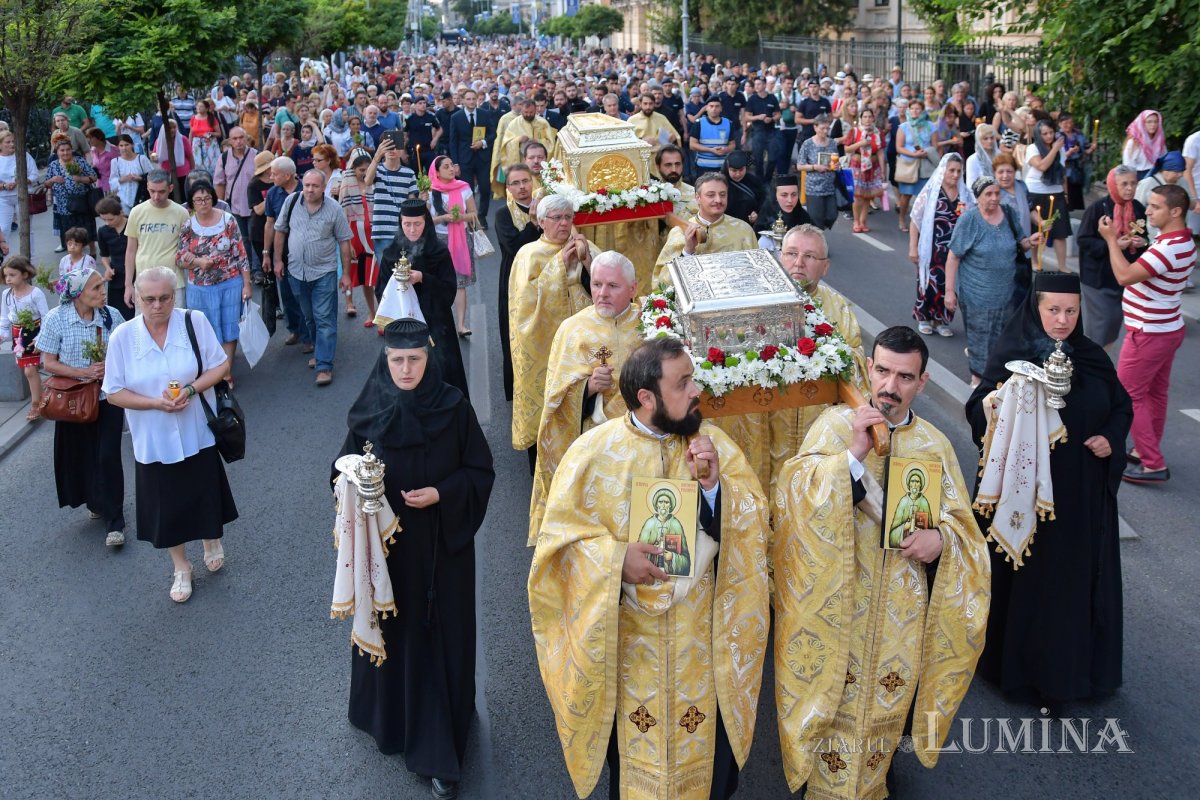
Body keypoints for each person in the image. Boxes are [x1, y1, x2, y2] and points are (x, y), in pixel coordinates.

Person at [529, 336, 770, 800]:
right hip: (629, 649)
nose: (697, 390)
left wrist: (716, 490)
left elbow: (756, 522)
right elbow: (555, 552)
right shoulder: (592, 454)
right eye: (683, 383)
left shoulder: (713, 445)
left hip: (702, 645)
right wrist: (617, 561)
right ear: (647, 397)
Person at [773, 325, 991, 799]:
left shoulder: (934, 445)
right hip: (838, 604)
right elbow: (793, 497)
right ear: (869, 369)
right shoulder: (835, 426)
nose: (891, 386)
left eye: (905, 377)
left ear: (922, 382)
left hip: (900, 611)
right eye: (884, 371)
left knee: (881, 719)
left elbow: (965, 533)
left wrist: (941, 541)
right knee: (834, 708)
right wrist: (852, 455)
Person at [336, 318, 493, 800]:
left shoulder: (454, 407)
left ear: (430, 359)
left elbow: (480, 472)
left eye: (415, 360)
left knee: (435, 641)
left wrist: (442, 493)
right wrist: (355, 484)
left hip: (441, 556)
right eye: (397, 361)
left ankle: (438, 747)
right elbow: (339, 470)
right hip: (389, 555)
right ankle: (388, 719)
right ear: (386, 362)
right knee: (393, 631)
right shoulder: (368, 410)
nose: (406, 370)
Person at [967, 272, 1132, 706]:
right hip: (1027, 502)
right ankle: (1016, 672)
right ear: (1036, 309)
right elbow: (977, 409)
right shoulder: (1014, 353)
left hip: (1079, 502)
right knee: (1028, 587)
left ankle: (1071, 674)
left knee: (1070, 590)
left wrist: (1111, 438)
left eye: (1070, 311)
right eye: (1053, 310)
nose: (1061, 320)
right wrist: (1004, 404)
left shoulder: (1092, 357)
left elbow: (1121, 405)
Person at [103, 266, 237, 602]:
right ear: (136, 298)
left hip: (196, 430)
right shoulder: (122, 337)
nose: (157, 305)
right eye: (149, 299)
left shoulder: (193, 321)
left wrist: (190, 391)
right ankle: (181, 568)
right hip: (153, 439)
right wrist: (153, 403)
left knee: (202, 493)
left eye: (164, 297)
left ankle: (211, 540)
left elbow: (220, 365)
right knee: (168, 507)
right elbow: (113, 392)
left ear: (174, 295)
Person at [527, 251, 642, 546]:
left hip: (642, 441)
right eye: (596, 284)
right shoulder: (572, 330)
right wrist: (587, 388)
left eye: (613, 286)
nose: (602, 293)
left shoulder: (650, 325)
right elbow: (554, 403)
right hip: (595, 442)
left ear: (633, 289)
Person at [1099, 184, 1196, 484]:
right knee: (1155, 394)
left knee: (1129, 395)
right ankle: (1145, 450)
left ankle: (1153, 464)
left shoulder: (1169, 247)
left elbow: (1124, 276)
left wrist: (1111, 241)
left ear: (1176, 211)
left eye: (1155, 206)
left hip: (1148, 332)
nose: (1148, 211)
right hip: (1165, 328)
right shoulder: (1180, 241)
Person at [35, 267, 126, 544]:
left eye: (102, 286)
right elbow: (47, 363)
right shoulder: (56, 319)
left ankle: (115, 521)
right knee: (82, 454)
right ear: (77, 294)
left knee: (108, 456)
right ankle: (96, 502)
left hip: (108, 398)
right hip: (73, 399)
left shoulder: (112, 316)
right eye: (96, 288)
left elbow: (127, 352)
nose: (103, 292)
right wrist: (84, 372)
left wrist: (110, 368)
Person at [508, 194, 598, 471]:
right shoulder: (529, 254)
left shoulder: (585, 245)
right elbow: (525, 303)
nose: (563, 223)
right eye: (556, 218)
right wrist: (559, 264)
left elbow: (601, 283)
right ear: (541, 222)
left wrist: (586, 262)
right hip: (544, 344)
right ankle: (542, 469)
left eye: (568, 217)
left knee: (583, 398)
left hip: (581, 342)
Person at [946, 175, 1042, 384]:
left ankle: (998, 379)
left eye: (997, 193)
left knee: (1003, 339)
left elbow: (1020, 244)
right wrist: (949, 291)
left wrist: (1030, 242)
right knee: (980, 339)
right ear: (978, 197)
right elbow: (953, 256)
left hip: (1007, 293)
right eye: (988, 194)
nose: (994, 198)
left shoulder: (1008, 213)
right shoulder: (969, 220)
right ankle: (977, 380)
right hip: (976, 294)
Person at [379, 200, 469, 397]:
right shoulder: (390, 255)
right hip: (402, 328)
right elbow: (381, 292)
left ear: (426, 223)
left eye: (417, 224)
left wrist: (423, 279)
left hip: (436, 327)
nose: (412, 230)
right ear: (400, 223)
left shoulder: (439, 252)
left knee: (442, 376)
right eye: (407, 224)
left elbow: (448, 291)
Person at [273, 170, 353, 386]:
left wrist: (345, 274)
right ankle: (319, 351)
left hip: (324, 273)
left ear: (323, 187)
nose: (309, 189)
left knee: (325, 318)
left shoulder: (334, 209)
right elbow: (279, 231)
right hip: (296, 273)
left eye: (315, 186)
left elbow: (345, 241)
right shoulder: (291, 202)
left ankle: (324, 365)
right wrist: (277, 260)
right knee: (309, 317)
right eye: (307, 185)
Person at [176, 180, 251, 385]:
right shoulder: (187, 226)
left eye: (207, 198)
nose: (203, 202)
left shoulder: (228, 220)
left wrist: (247, 284)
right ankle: (212, 370)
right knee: (204, 330)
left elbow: (241, 253)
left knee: (229, 328)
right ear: (191, 203)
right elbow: (180, 257)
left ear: (213, 199)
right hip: (199, 287)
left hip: (230, 281)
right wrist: (199, 261)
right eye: (198, 199)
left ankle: (226, 374)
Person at [1076, 166, 1147, 348]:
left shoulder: (1138, 208)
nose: (1130, 188)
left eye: (1133, 183)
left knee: (1113, 324)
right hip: (1098, 279)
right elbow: (1084, 240)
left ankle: (1099, 364)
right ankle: (1092, 366)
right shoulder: (1098, 209)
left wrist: (1142, 242)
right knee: (1103, 324)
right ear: (1112, 186)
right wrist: (1112, 244)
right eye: (1124, 184)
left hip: (1124, 278)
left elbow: (1144, 236)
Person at [654, 173, 756, 285]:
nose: (718, 200)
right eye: (711, 195)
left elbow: (756, 275)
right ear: (698, 198)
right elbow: (662, 283)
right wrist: (687, 251)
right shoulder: (679, 232)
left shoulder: (743, 230)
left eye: (722, 195)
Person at [494, 164, 541, 402]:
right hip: (514, 281)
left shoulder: (545, 206)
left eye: (525, 181)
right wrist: (533, 225)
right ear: (508, 188)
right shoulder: (503, 214)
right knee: (515, 335)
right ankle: (518, 389)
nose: (522, 187)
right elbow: (515, 247)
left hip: (543, 279)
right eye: (516, 183)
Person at [908, 153, 967, 337]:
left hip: (954, 251)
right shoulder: (931, 191)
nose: (955, 174)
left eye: (958, 171)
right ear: (943, 170)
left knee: (948, 284)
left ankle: (941, 320)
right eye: (951, 170)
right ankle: (924, 318)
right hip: (931, 247)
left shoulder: (965, 194)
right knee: (928, 283)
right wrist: (913, 247)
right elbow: (915, 220)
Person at [124, 169, 191, 311]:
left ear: (170, 188)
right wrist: (128, 284)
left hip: (174, 282)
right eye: (152, 191)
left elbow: (187, 247)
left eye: (161, 191)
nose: (156, 196)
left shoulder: (181, 213)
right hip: (143, 281)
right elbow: (131, 251)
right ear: (147, 187)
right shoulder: (136, 212)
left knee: (175, 325)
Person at [426, 156, 477, 337]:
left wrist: (460, 218)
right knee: (439, 283)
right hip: (439, 240)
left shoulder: (463, 187)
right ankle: (440, 322)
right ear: (437, 171)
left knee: (459, 283)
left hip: (461, 238)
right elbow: (424, 221)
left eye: (452, 165)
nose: (451, 169)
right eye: (446, 167)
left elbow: (473, 214)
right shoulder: (430, 191)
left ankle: (461, 325)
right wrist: (443, 218)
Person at [366, 136, 418, 305]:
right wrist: (377, 156)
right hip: (382, 231)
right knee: (386, 274)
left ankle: (404, 311)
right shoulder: (378, 170)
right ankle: (387, 314)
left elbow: (412, 203)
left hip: (403, 232)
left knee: (405, 275)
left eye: (396, 146)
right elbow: (367, 180)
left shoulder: (409, 173)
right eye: (388, 146)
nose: (392, 150)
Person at [1, 256, 49, 420]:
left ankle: (36, 404)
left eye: (12, 275)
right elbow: (5, 317)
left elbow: (45, 317)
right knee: (29, 369)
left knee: (30, 370)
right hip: (18, 335)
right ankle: (42, 397)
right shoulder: (7, 294)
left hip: (34, 331)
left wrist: (41, 337)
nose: (8, 279)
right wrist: (3, 333)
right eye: (6, 275)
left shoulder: (35, 294)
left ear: (25, 274)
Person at [1025, 120, 1071, 271]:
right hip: (1036, 191)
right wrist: (1055, 149)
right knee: (1036, 229)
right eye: (1044, 133)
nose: (1049, 136)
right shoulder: (1033, 148)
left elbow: (1062, 172)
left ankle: (1062, 265)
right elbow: (1042, 165)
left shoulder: (1060, 149)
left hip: (1056, 190)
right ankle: (1034, 261)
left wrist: (1065, 193)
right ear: (1039, 134)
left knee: (1060, 231)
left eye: (1051, 132)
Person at [338, 151, 378, 325]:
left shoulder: (377, 184)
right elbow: (343, 215)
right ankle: (372, 313)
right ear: (353, 170)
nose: (364, 173)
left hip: (376, 234)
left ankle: (385, 316)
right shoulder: (346, 186)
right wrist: (348, 242)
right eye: (361, 169)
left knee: (380, 277)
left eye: (367, 169)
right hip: (356, 235)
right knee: (365, 278)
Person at [490, 98, 555, 198]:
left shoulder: (543, 123)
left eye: (531, 112)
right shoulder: (514, 124)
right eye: (526, 112)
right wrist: (517, 140)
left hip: (538, 165)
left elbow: (551, 144)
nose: (528, 115)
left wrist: (539, 142)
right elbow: (505, 144)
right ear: (521, 110)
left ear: (536, 110)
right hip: (520, 161)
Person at [213, 127, 258, 268]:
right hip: (234, 205)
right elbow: (219, 183)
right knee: (241, 238)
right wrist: (220, 207)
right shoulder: (224, 157)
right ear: (230, 141)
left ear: (246, 138)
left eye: (241, 137)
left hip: (254, 205)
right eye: (235, 139)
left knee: (255, 237)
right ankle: (247, 265)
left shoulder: (256, 155)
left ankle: (257, 269)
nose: (238, 141)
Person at [44, 140, 99, 254]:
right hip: (64, 205)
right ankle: (75, 255)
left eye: (68, 150)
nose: (65, 153)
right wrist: (53, 180)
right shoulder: (53, 165)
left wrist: (80, 179)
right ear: (57, 152)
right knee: (70, 233)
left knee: (87, 229)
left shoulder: (79, 161)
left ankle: (92, 251)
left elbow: (94, 177)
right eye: (62, 150)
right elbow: (46, 184)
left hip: (82, 202)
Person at [448, 89, 493, 227]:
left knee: (485, 188)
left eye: (474, 98)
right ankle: (471, 218)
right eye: (468, 99)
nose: (472, 101)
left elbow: (493, 134)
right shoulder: (456, 117)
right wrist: (455, 163)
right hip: (464, 159)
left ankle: (482, 216)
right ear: (463, 100)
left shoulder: (485, 114)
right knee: (468, 190)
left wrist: (483, 143)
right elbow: (453, 141)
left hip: (482, 159)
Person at [841, 107, 887, 233]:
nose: (867, 119)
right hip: (857, 164)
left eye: (869, 117)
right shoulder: (855, 131)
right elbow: (847, 149)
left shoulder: (878, 133)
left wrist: (883, 171)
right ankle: (856, 220)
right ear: (861, 119)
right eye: (865, 117)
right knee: (858, 196)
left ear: (873, 118)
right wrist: (861, 143)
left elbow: (881, 152)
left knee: (868, 195)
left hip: (873, 165)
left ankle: (863, 220)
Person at [895, 98, 937, 231]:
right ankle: (902, 219)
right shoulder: (903, 127)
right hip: (909, 164)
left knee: (925, 196)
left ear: (922, 111)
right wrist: (913, 154)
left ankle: (922, 222)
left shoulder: (930, 126)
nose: (915, 111)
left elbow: (934, 146)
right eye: (912, 108)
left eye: (918, 108)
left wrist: (927, 153)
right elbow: (899, 147)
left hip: (925, 165)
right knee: (906, 195)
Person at [94, 196, 135, 319]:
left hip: (134, 273)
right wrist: (107, 268)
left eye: (110, 219)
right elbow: (104, 255)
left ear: (120, 213)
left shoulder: (132, 225)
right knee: (116, 312)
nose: (107, 223)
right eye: (104, 220)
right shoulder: (103, 231)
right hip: (116, 275)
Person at [1135, 151, 1191, 238]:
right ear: (1165, 170)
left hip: (1179, 234)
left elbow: (1189, 203)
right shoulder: (1148, 183)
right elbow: (1136, 210)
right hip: (1153, 236)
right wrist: (1140, 235)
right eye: (1176, 172)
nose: (1180, 175)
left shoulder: (1183, 182)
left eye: (1182, 171)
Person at [754, 175, 812, 250]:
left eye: (794, 195)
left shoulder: (803, 217)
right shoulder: (764, 220)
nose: (790, 200)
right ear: (775, 196)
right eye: (784, 195)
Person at [107, 134, 154, 214]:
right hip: (123, 198)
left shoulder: (141, 159)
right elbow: (112, 181)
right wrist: (121, 179)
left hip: (142, 196)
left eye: (126, 145)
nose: (124, 148)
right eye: (121, 145)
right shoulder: (115, 162)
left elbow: (153, 176)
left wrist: (139, 178)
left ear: (132, 145)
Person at [688, 96, 734, 175]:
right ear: (706, 108)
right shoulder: (699, 123)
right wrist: (710, 150)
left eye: (717, 106)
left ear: (721, 108)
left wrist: (725, 150)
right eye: (711, 106)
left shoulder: (728, 123)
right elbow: (692, 145)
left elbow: (733, 145)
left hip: (723, 166)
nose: (714, 109)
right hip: (703, 167)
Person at [720, 150, 765, 226]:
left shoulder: (754, 182)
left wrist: (757, 213)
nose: (738, 174)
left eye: (741, 170)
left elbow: (763, 201)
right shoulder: (720, 183)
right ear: (727, 168)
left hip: (749, 227)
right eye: (733, 170)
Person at [151, 119, 194, 197]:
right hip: (166, 173)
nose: (172, 130)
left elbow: (190, 156)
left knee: (183, 194)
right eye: (170, 128)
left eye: (174, 127)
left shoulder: (182, 139)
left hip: (182, 173)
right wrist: (154, 157)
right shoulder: (159, 141)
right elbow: (154, 154)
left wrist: (193, 171)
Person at [1122, 110, 1165, 180]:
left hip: (1157, 176)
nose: (1153, 125)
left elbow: (1164, 159)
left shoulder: (1159, 141)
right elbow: (1128, 166)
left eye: (1156, 121)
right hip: (1140, 177)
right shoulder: (1134, 142)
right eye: (1149, 122)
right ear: (1142, 123)